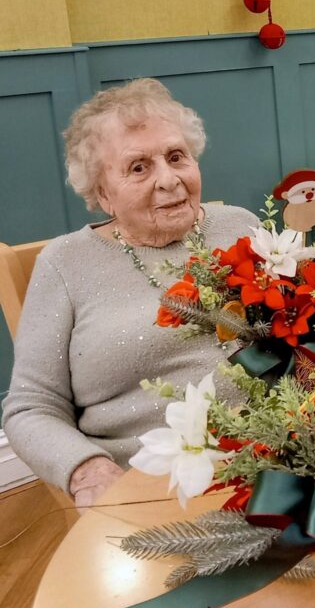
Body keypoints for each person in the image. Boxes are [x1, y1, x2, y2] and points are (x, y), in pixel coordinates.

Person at [2, 79, 260, 506]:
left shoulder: (239, 225)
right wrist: (89, 471)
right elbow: (31, 407)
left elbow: (310, 334)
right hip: (149, 486)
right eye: (138, 167)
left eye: (177, 157)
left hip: (280, 456)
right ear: (102, 193)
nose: (168, 180)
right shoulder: (64, 265)